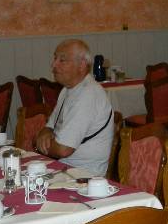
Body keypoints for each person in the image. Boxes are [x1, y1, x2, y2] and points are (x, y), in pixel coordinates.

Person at [34, 39, 113, 177]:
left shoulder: (88, 94)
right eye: (55, 58)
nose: (53, 64)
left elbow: (63, 149)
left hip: (85, 177)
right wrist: (44, 133)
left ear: (82, 65)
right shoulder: (67, 90)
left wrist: (38, 141)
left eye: (62, 60)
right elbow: (50, 126)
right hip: (64, 169)